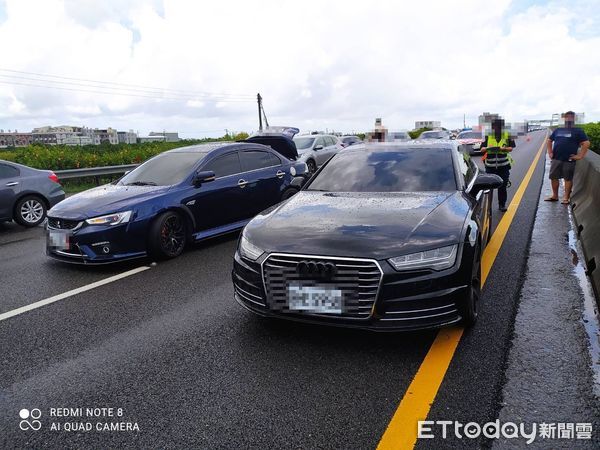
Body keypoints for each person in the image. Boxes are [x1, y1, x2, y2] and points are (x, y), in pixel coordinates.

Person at [544, 111, 590, 204]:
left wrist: (580, 156)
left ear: (574, 119)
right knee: (554, 177)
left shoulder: (578, 131)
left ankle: (566, 198)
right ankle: (555, 196)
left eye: (571, 117)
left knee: (568, 179)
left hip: (569, 159)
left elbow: (586, 143)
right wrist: (550, 152)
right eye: (567, 117)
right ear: (564, 119)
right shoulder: (558, 130)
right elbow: (549, 140)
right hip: (556, 158)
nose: (568, 119)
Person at [481, 118, 516, 212]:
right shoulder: (487, 135)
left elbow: (511, 148)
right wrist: (488, 148)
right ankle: (488, 208)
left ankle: (502, 205)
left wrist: (503, 149)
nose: (495, 128)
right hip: (490, 167)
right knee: (489, 188)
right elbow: (482, 149)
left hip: (503, 166)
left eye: (498, 127)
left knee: (503, 186)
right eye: (494, 126)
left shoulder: (507, 135)